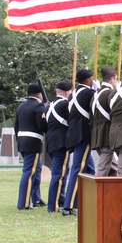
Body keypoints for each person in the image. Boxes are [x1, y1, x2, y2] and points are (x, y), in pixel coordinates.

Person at [61, 68, 96, 215]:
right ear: (88, 80)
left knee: (90, 170)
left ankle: (83, 202)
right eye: (92, 78)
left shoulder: (73, 94)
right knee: (78, 169)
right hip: (83, 134)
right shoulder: (89, 93)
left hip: (73, 134)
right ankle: (68, 206)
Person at [13, 83, 47, 210]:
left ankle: (36, 198)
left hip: (22, 141)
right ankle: (24, 203)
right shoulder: (39, 106)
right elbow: (41, 126)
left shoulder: (21, 106)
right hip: (33, 142)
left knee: (36, 170)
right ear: (39, 94)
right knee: (29, 172)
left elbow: (16, 126)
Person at [44, 81, 72, 214]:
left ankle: (60, 198)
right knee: (59, 174)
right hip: (61, 142)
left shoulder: (49, 105)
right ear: (67, 92)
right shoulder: (64, 104)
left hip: (51, 142)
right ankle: (53, 205)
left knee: (61, 173)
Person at [91, 65, 118, 177]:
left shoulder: (95, 94)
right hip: (107, 134)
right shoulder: (111, 93)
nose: (117, 81)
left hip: (96, 134)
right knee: (103, 167)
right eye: (116, 79)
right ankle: (97, 191)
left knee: (113, 167)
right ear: (112, 79)